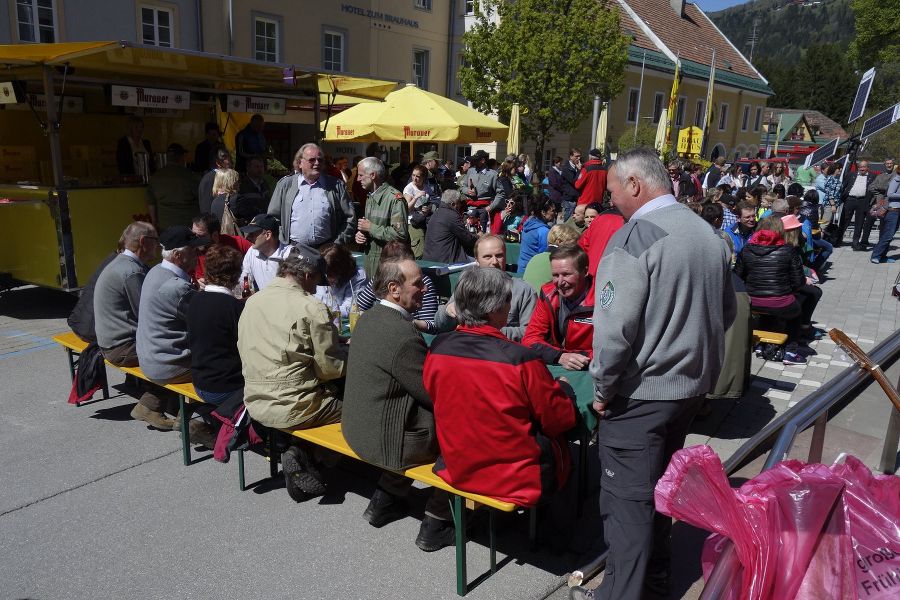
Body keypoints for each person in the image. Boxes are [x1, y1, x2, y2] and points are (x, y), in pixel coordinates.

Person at [585, 148, 735, 600]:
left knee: (628, 509)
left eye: (612, 190)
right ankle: (656, 579)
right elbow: (724, 311)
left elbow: (613, 331)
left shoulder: (635, 237)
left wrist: (602, 388)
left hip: (642, 395)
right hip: (688, 389)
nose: (610, 200)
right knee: (660, 492)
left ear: (634, 184)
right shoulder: (706, 233)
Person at [424, 267, 577, 506]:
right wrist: (565, 391)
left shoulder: (438, 348)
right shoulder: (521, 359)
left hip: (456, 465)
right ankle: (554, 534)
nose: (510, 304)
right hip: (515, 480)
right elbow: (559, 420)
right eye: (508, 300)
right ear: (496, 308)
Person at [342, 256, 455, 551]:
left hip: (357, 429)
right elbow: (435, 395)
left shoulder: (369, 316)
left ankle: (385, 499)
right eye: (418, 283)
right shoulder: (402, 335)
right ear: (394, 289)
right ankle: (436, 520)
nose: (425, 289)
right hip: (386, 442)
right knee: (465, 436)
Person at [237, 245, 347, 501]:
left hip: (255, 399)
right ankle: (311, 454)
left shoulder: (253, 301)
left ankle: (301, 453)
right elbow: (331, 369)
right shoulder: (310, 307)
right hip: (295, 406)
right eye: (317, 280)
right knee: (359, 409)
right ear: (307, 275)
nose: (316, 287)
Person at [136, 226, 209, 426]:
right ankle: (200, 423)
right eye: (193, 250)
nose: (198, 254)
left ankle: (149, 404)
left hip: (150, 356)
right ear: (177, 255)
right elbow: (209, 321)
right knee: (222, 363)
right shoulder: (176, 287)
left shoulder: (155, 272)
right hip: (168, 364)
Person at [433, 235, 537, 341]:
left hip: (504, 352)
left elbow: (531, 331)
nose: (495, 262)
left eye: (499, 255)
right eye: (487, 256)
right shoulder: (468, 286)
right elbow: (439, 324)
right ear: (476, 260)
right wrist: (447, 312)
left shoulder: (523, 290)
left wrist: (489, 332)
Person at [267, 143, 357, 248]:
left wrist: (338, 242)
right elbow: (273, 218)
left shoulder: (335, 186)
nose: (317, 163)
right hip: (294, 250)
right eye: (312, 160)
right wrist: (282, 242)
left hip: (326, 250)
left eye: (320, 160)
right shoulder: (285, 185)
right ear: (300, 163)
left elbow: (350, 217)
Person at [522, 244, 595, 370]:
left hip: (592, 371)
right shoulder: (549, 294)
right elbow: (530, 339)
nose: (560, 282)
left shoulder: (602, 298)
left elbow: (613, 349)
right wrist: (560, 356)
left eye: (566, 274)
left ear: (584, 272)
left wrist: (579, 357)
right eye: (555, 275)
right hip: (561, 364)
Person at [357, 242, 438, 333]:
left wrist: (407, 322)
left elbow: (432, 325)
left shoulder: (422, 283)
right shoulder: (378, 280)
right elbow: (359, 307)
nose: (425, 288)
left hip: (412, 334)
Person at [355, 156, 409, 277]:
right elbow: (371, 227)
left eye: (361, 175)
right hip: (370, 261)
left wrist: (370, 228)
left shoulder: (394, 198)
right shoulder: (371, 197)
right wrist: (362, 235)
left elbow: (400, 234)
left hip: (388, 265)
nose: (358, 179)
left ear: (372, 175)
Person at [146, 143, 200, 232]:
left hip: (165, 227)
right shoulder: (190, 176)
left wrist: (155, 223)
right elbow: (201, 198)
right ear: (181, 157)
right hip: (187, 227)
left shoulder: (155, 177)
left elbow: (151, 204)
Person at [190, 213, 253, 286]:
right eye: (193, 235)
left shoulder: (237, 243)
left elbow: (257, 254)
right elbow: (182, 276)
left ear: (215, 235)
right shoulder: (191, 252)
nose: (195, 240)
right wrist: (195, 282)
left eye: (200, 236)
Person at [238, 213, 292, 292]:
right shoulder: (252, 252)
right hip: (262, 302)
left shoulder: (290, 255)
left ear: (268, 235)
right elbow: (244, 281)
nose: (248, 237)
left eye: (252, 234)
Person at [422, 189, 477, 264]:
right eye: (459, 203)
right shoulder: (452, 215)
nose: (460, 205)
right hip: (445, 261)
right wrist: (480, 237)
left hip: (430, 258)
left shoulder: (437, 213)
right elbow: (468, 238)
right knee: (480, 262)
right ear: (453, 204)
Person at [314, 242, 369, 317]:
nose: (325, 278)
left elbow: (351, 308)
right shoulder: (318, 271)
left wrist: (323, 312)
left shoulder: (358, 275)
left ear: (340, 269)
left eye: (329, 274)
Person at [522, 224, 581, 292]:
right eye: (573, 244)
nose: (575, 248)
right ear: (559, 241)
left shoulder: (535, 258)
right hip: (544, 300)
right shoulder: (560, 261)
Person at [579, 205, 625, 277]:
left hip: (592, 273)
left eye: (592, 217)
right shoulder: (627, 221)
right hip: (606, 274)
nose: (589, 219)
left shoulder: (600, 219)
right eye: (586, 217)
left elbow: (581, 249)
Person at [840, 160, 876, 251]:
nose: (862, 169)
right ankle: (838, 239)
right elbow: (844, 186)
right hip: (850, 200)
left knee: (859, 223)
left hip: (863, 201)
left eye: (864, 167)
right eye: (860, 167)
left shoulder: (872, 176)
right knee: (844, 220)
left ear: (868, 168)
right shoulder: (851, 175)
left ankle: (855, 243)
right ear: (858, 167)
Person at [517, 196, 557, 274]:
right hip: (532, 272)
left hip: (521, 269)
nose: (555, 213)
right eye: (553, 211)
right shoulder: (543, 231)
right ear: (543, 212)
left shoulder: (528, 224)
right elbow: (544, 256)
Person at [871, 164, 900, 264]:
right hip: (893, 211)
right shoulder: (897, 180)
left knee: (890, 235)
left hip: (898, 211)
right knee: (887, 235)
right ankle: (876, 255)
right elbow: (890, 194)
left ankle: (883, 256)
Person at [462, 149, 498, 232]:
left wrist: (490, 207)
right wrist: (468, 191)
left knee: (483, 235)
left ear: (482, 161)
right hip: (470, 207)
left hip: (485, 209)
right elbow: (463, 187)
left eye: (475, 161)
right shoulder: (471, 171)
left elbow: (500, 194)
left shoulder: (493, 175)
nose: (473, 163)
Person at [199, 146, 232, 215]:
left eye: (229, 157)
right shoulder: (210, 179)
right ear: (217, 161)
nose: (229, 160)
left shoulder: (225, 176)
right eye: (224, 157)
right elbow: (206, 207)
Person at [559, 148, 582, 220]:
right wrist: (579, 171)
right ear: (571, 156)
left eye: (579, 156)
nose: (578, 158)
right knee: (568, 221)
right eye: (576, 156)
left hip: (575, 197)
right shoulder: (566, 168)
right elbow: (574, 181)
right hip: (569, 198)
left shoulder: (577, 166)